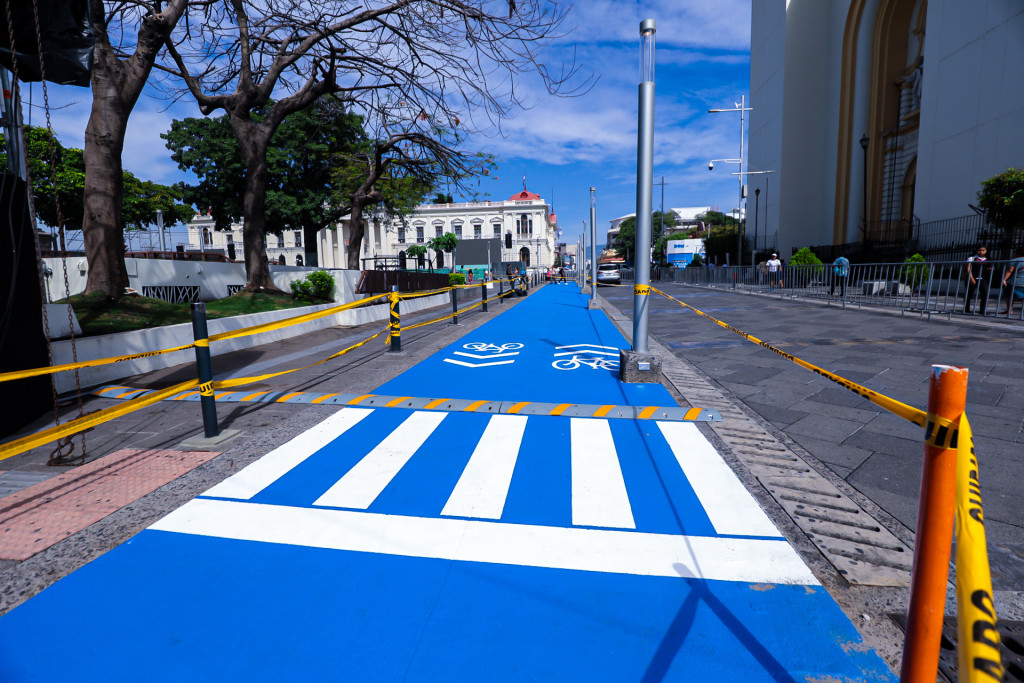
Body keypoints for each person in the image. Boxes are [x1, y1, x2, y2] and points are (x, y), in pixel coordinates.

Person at [964, 245, 992, 314]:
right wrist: (972, 279)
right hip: (973, 277)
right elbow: (968, 269)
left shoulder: (987, 259)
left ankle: (982, 310)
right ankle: (966, 309)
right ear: (977, 251)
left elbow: (989, 268)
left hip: (983, 278)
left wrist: (990, 269)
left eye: (983, 250)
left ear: (986, 251)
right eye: (980, 250)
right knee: (969, 294)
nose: (981, 252)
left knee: (985, 293)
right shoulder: (972, 258)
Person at [1001, 246, 1024, 316]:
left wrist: (1004, 279)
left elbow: (1010, 271)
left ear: (1017, 253)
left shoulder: (1014, 260)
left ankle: (1009, 310)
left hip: (1014, 281)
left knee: (1009, 296)